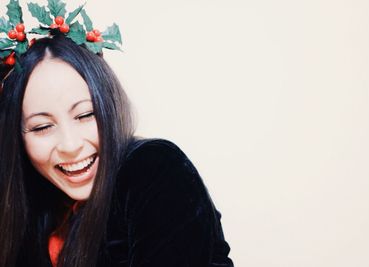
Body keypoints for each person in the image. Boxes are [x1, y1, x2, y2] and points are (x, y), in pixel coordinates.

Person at [0, 1, 234, 267]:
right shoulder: (36, 208)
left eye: (85, 115)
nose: (69, 144)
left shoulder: (154, 168)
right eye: (42, 127)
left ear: (108, 105)